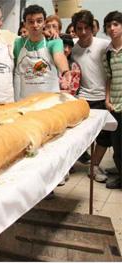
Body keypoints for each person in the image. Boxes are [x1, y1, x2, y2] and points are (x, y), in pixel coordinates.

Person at [71, 10, 112, 182]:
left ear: (92, 28)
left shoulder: (104, 45)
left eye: (86, 28)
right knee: (77, 135)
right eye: (79, 28)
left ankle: (94, 167)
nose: (83, 32)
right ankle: (69, 164)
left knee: (105, 136)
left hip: (104, 97)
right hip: (82, 98)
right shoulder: (72, 46)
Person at [13, 4, 70, 100]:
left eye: (39, 21)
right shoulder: (18, 43)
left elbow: (59, 56)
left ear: (44, 23)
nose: (35, 25)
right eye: (31, 22)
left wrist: (65, 72)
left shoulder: (54, 42)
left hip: (49, 101)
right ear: (25, 24)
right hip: (25, 101)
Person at [103, 11, 122, 189]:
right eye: (109, 25)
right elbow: (108, 78)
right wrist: (107, 100)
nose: (112, 28)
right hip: (115, 106)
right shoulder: (107, 53)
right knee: (117, 149)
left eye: (116, 24)